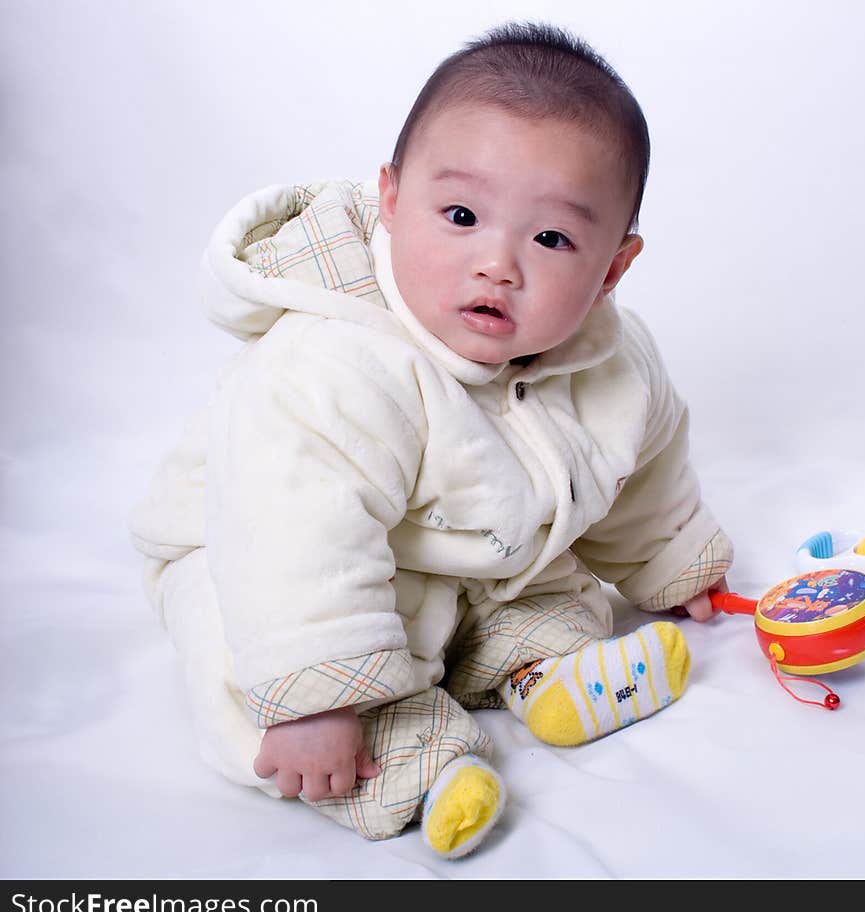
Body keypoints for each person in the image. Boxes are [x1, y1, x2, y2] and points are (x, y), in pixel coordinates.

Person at [130, 21, 732, 859]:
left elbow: (642, 470)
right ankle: (413, 761)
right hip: (256, 556)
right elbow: (291, 533)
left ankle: (545, 670)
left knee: (537, 587)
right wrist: (316, 697)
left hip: (458, 551)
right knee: (251, 667)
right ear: (390, 197)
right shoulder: (333, 360)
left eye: (551, 238)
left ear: (612, 269)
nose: (497, 262)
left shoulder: (613, 360)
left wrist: (672, 562)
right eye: (460, 215)